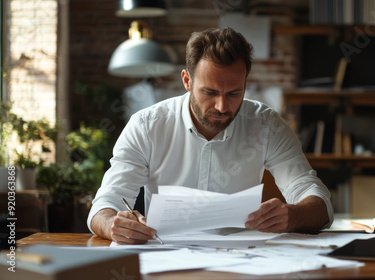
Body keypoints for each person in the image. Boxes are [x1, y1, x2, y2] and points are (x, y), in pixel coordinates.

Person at [88, 27, 333, 244]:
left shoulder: (267, 125)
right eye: (209, 92)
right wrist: (113, 225)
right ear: (187, 80)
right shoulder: (146, 126)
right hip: (166, 256)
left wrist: (293, 216)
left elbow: (319, 202)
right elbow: (104, 204)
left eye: (234, 93)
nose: (222, 106)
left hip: (244, 259)